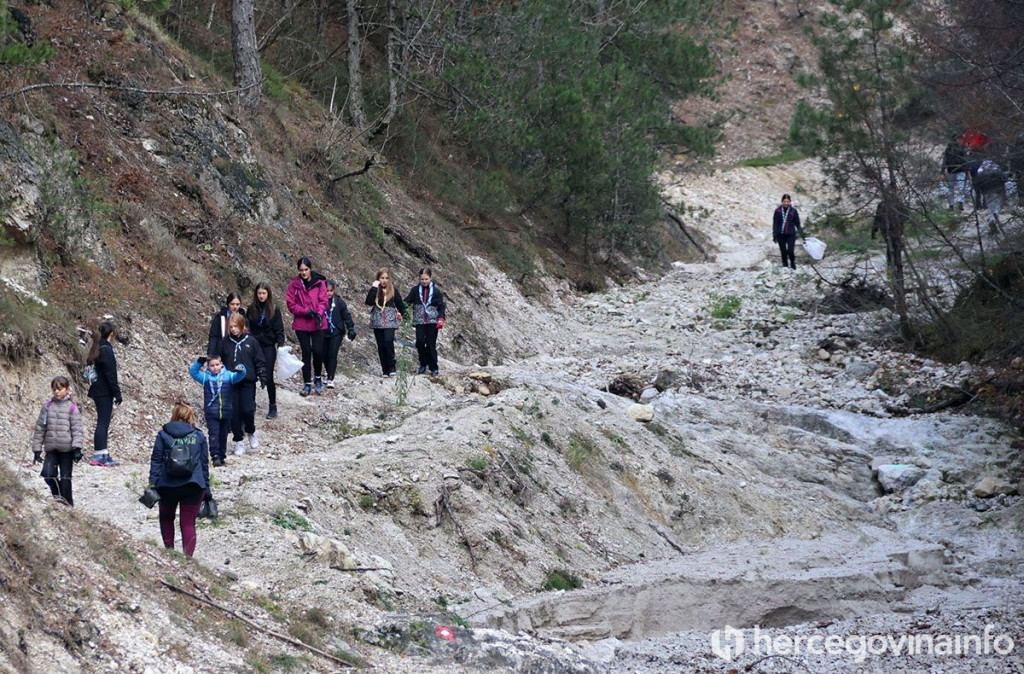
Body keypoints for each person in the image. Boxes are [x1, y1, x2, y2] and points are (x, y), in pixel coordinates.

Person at [148, 402, 210, 558]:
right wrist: (207, 489)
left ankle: (169, 553)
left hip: (167, 485)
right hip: (194, 484)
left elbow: (156, 460)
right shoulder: (199, 435)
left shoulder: (163, 434)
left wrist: (153, 483)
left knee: (166, 518)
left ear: (174, 416)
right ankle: (187, 558)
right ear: (190, 416)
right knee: (188, 523)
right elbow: (204, 464)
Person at [31, 376, 84, 505]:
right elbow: (40, 429)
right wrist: (37, 449)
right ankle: (59, 497)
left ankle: (68, 506)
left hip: (67, 451)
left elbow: (77, 430)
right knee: (48, 475)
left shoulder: (72, 408)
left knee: (66, 480)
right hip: (51, 450)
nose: (56, 392)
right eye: (54, 389)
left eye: (60, 389)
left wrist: (77, 449)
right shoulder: (47, 407)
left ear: (67, 389)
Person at [219, 313, 266, 456]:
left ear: (242, 326)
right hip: (231, 382)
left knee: (247, 409)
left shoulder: (251, 341)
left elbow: (259, 359)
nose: (233, 329)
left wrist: (262, 374)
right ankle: (238, 440)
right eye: (231, 327)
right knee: (234, 413)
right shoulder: (225, 343)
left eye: (236, 326)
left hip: (247, 381)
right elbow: (219, 360)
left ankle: (251, 431)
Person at [189, 355, 247, 467]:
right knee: (214, 434)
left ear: (221, 364)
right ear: (208, 367)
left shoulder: (228, 376)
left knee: (223, 435)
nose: (215, 367)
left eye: (217, 365)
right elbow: (194, 372)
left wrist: (241, 369)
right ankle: (215, 456)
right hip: (211, 412)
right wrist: (199, 362)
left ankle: (222, 456)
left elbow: (240, 375)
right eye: (212, 365)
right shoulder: (206, 378)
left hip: (226, 412)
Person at [285, 257, 329, 396]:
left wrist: (319, 313)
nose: (304, 272)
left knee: (318, 351)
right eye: (301, 270)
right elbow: (291, 304)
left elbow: (324, 301)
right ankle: (306, 383)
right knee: (306, 352)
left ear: (310, 269)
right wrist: (305, 311)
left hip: (318, 322)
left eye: (306, 269)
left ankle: (317, 378)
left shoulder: (320, 283)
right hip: (302, 322)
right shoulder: (294, 285)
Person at [86, 321, 122, 467]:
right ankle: (99, 455)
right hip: (104, 391)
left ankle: (103, 453)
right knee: (103, 422)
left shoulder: (98, 347)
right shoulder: (106, 349)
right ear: (111, 334)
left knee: (102, 421)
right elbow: (111, 374)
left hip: (96, 389)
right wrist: (117, 393)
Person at [247, 283, 284, 418]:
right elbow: (247, 327)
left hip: (268, 346)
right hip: (254, 346)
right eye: (259, 293)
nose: (261, 296)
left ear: (268, 294)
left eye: (264, 293)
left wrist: (280, 345)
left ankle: (272, 405)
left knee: (268, 377)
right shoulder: (251, 309)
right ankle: (251, 404)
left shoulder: (274, 309)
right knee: (251, 375)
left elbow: (279, 330)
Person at [404, 267, 447, 376]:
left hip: (433, 322)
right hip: (419, 321)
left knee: (431, 344)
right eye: (422, 279)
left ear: (430, 278)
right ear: (419, 279)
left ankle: (433, 367)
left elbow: (441, 307)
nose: (424, 281)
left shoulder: (436, 292)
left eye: (426, 279)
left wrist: (441, 319)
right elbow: (407, 301)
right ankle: (423, 363)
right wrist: (399, 309)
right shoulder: (415, 290)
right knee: (419, 342)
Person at [366, 268, 407, 377]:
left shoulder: (393, 290)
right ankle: (385, 369)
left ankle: (391, 365)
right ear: (378, 278)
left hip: (390, 320)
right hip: (377, 320)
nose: (384, 280)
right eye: (382, 278)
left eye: (386, 278)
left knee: (388, 341)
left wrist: (407, 317)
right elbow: (369, 302)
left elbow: (400, 305)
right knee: (381, 345)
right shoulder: (375, 290)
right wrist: (374, 288)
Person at [323, 280, 356, 389]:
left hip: (337, 331)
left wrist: (350, 328)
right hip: (323, 331)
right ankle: (328, 373)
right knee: (324, 355)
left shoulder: (339, 302)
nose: (328, 293)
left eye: (331, 291)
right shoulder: (319, 301)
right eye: (326, 291)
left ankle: (331, 377)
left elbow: (347, 315)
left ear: (334, 291)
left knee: (332, 353)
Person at [771, 193, 803, 269]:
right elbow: (775, 223)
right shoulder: (778, 211)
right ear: (782, 201)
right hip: (780, 234)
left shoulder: (793, 211)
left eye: (788, 201)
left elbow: (797, 223)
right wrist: (774, 234)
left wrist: (802, 234)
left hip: (791, 233)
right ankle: (785, 265)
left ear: (790, 202)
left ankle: (792, 262)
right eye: (784, 201)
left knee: (790, 250)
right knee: (783, 251)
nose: (786, 203)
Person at [940, 137, 967, 211]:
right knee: (961, 187)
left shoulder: (948, 150)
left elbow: (944, 161)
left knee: (951, 188)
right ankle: (960, 202)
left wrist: (942, 171)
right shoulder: (962, 148)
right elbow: (966, 160)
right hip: (960, 169)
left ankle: (951, 205)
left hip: (951, 170)